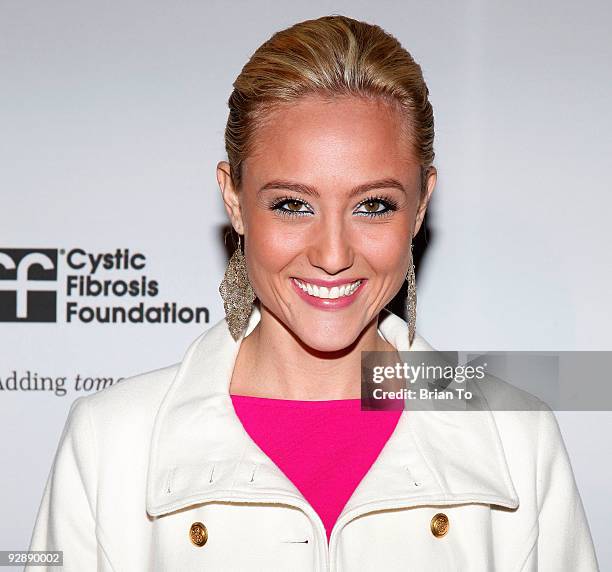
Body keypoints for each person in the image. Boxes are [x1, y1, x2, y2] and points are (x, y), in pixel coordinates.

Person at [27, 14, 599, 571]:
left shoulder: (516, 434)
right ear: (234, 200)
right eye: (291, 205)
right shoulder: (111, 441)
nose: (332, 255)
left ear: (421, 204)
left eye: (373, 205)